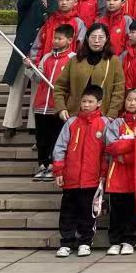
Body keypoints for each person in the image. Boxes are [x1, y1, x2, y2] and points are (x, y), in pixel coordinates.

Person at [51, 84, 108, 257]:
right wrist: (59, 171)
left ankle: (85, 241)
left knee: (88, 212)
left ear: (99, 103)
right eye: (84, 101)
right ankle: (66, 242)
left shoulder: (105, 124)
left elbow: (107, 153)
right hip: (71, 178)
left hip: (92, 179)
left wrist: (103, 175)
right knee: (68, 212)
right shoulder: (71, 122)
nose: (86, 105)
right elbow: (60, 148)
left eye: (90, 102)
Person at [3, 0, 54, 137]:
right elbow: (23, 2)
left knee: (38, 88)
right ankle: (10, 124)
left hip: (43, 51)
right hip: (23, 50)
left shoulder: (54, 2)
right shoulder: (25, 0)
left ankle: (34, 123)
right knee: (17, 87)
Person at [103, 87, 136, 255]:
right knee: (116, 210)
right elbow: (111, 146)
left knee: (132, 210)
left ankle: (129, 240)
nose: (132, 103)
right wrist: (134, 140)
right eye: (129, 99)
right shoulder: (116, 123)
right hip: (117, 175)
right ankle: (115, 241)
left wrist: (125, 153)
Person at [31, 25, 76, 180]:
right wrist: (30, 68)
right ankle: (42, 165)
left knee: (55, 137)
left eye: (59, 38)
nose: (55, 41)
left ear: (69, 40)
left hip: (58, 107)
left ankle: (52, 166)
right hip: (41, 105)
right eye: (54, 38)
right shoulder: (46, 57)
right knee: (41, 139)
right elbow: (38, 78)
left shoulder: (73, 59)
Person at [54, 23, 124, 118]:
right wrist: (61, 108)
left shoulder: (113, 61)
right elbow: (60, 87)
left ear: (107, 39)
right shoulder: (75, 60)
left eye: (101, 37)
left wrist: (112, 114)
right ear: (87, 38)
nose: (96, 41)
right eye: (93, 37)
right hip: (74, 115)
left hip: (102, 116)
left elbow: (118, 91)